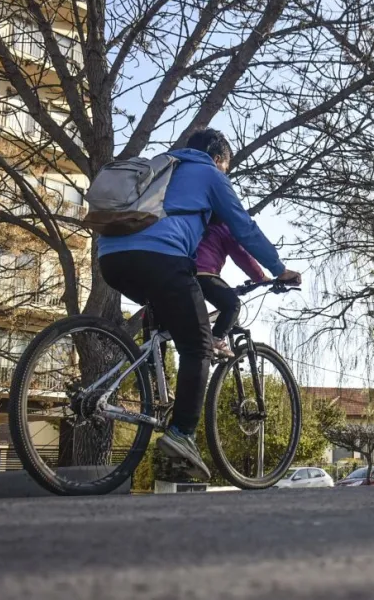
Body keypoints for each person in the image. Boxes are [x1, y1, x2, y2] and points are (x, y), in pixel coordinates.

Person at [98, 128, 301, 479]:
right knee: (198, 346)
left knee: (169, 324)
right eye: (227, 166)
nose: (226, 172)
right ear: (219, 159)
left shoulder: (160, 166)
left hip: (112, 259)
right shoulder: (209, 173)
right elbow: (243, 228)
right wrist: (279, 270)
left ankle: (154, 390)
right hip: (162, 260)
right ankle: (182, 433)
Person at [194, 152, 270, 359]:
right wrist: (260, 277)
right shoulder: (225, 229)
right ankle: (217, 338)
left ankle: (155, 374)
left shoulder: (197, 222)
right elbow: (242, 255)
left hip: (179, 271)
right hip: (204, 274)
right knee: (232, 304)